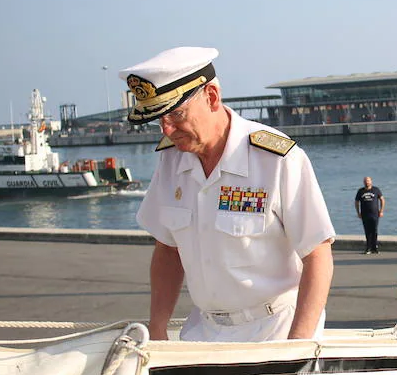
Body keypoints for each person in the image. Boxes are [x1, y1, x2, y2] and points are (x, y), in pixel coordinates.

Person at [127, 47, 335, 342]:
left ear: (211, 96)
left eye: (176, 114)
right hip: (203, 330)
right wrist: (157, 329)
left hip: (275, 330)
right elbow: (168, 250)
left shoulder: (275, 158)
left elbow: (318, 254)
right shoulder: (171, 161)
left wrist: (297, 344)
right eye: (159, 118)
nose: (168, 129)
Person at [352, 176, 385, 255]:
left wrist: (381, 211)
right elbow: (356, 202)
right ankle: (368, 248)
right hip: (365, 214)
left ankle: (375, 247)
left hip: (375, 214)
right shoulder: (360, 191)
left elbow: (382, 200)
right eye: (366, 181)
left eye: (368, 181)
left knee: (374, 230)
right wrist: (358, 212)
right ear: (364, 182)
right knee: (367, 231)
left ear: (371, 181)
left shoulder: (376, 190)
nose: (367, 182)